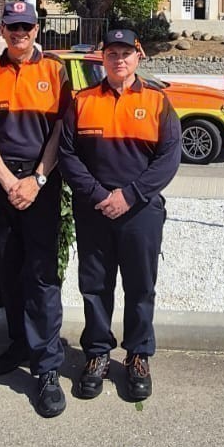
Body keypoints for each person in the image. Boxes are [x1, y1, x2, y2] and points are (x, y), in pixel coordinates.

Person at [59, 27, 181, 402]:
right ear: (103, 58)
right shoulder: (82, 101)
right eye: (112, 53)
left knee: (140, 286)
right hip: (94, 210)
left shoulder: (158, 102)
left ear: (137, 56)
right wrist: (99, 195)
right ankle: (97, 353)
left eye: (126, 53)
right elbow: (67, 155)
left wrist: (129, 196)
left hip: (140, 211)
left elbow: (169, 158)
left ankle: (138, 354)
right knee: (95, 286)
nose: (119, 60)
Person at [0, 0, 71, 418]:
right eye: (13, 26)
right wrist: (10, 182)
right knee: (8, 267)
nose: (19, 33)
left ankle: (46, 367)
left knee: (41, 275)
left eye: (26, 26)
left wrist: (37, 180)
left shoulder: (55, 71)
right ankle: (20, 342)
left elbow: (61, 130)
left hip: (41, 182)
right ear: (2, 29)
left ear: (36, 30)